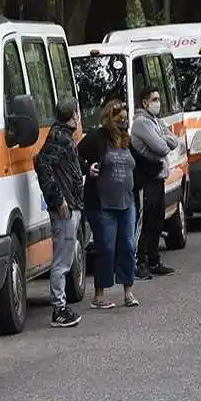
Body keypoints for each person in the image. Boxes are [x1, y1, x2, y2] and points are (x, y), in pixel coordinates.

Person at [78, 99, 139, 309]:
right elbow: (75, 155)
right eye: (118, 119)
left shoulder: (127, 140)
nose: (122, 123)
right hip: (103, 204)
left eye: (125, 119)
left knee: (128, 245)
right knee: (106, 247)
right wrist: (88, 169)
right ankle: (100, 294)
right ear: (108, 119)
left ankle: (128, 291)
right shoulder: (97, 138)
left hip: (127, 201)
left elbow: (137, 165)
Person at [34, 96, 84, 327]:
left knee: (65, 256)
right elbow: (42, 164)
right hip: (65, 208)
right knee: (62, 260)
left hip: (72, 204)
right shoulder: (59, 138)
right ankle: (59, 308)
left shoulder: (64, 137)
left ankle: (61, 306)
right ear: (74, 114)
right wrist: (58, 199)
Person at [130, 86, 177, 279]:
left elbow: (174, 141)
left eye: (158, 99)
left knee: (157, 220)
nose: (158, 103)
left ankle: (154, 260)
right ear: (145, 103)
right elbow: (162, 147)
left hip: (159, 179)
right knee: (145, 222)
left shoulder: (156, 121)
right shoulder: (141, 123)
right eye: (154, 99)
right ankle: (140, 263)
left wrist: (163, 139)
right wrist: (163, 140)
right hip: (147, 180)